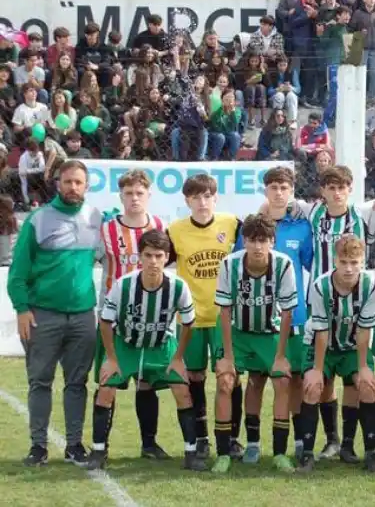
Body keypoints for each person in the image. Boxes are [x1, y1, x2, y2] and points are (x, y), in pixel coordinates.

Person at [85, 230, 206, 472]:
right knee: (106, 389)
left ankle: (191, 453)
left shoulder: (178, 286)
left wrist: (179, 357)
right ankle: (98, 451)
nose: (153, 261)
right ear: (140, 256)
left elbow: (189, 321)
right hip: (126, 345)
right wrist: (110, 358)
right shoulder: (124, 285)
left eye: (158, 255)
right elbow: (106, 321)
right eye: (148, 255)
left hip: (161, 346)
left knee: (183, 389)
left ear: (166, 257)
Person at [8, 160, 101, 467]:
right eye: (67, 182)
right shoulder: (38, 218)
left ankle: (74, 445)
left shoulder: (97, 218)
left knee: (78, 383)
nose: (73, 187)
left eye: (79, 182)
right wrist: (22, 309)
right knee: (40, 382)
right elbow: (18, 272)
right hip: (42, 315)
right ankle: (38, 446)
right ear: (58, 183)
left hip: (82, 316)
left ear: (87, 186)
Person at [235, 167, 313, 464]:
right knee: (255, 380)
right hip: (255, 317)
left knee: (291, 381)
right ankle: (253, 443)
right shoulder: (253, 227)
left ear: (291, 190)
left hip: (294, 317)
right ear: (265, 190)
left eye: (284, 187)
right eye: (273, 187)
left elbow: (312, 267)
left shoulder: (303, 228)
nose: (278, 192)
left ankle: (295, 441)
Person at [211, 214, 299, 473]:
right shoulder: (229, 264)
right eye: (252, 240)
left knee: (282, 380)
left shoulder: (283, 264)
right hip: (238, 333)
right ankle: (225, 453)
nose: (258, 246)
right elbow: (225, 311)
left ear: (272, 241)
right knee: (226, 382)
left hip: (269, 333)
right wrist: (227, 356)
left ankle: (280, 453)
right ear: (244, 241)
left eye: (263, 240)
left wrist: (281, 355)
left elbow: (287, 313)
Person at [294, 165, 371, 460]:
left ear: (350, 189)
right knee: (323, 377)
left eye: (342, 187)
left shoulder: (363, 216)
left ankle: (349, 444)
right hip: (321, 301)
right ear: (323, 191)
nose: (337, 193)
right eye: (331, 187)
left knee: (352, 376)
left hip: (354, 302)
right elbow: (274, 203)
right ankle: (332, 439)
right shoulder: (313, 213)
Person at [166, 174, 243, 460]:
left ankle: (233, 438)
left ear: (216, 197)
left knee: (230, 377)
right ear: (187, 201)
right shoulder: (175, 231)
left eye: (207, 196)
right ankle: (200, 438)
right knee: (194, 378)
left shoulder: (232, 225)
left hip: (224, 319)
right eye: (196, 197)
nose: (202, 202)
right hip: (191, 320)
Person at [95, 170, 169, 460]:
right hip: (114, 320)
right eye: (129, 193)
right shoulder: (106, 230)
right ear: (121, 196)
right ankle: (101, 448)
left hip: (151, 319)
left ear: (148, 196)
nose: (134, 198)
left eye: (140, 193)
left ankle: (148, 444)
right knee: (108, 381)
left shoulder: (161, 227)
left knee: (146, 381)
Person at [297, 236, 375, 473]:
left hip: (354, 346)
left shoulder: (372, 284)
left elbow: (365, 330)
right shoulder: (320, 286)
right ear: (334, 259)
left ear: (363, 261)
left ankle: (366, 452)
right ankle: (306, 455)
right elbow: (321, 332)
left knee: (365, 385)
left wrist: (364, 367)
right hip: (319, 344)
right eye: (343, 261)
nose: (348, 268)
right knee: (313, 387)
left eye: (354, 262)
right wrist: (316, 370)